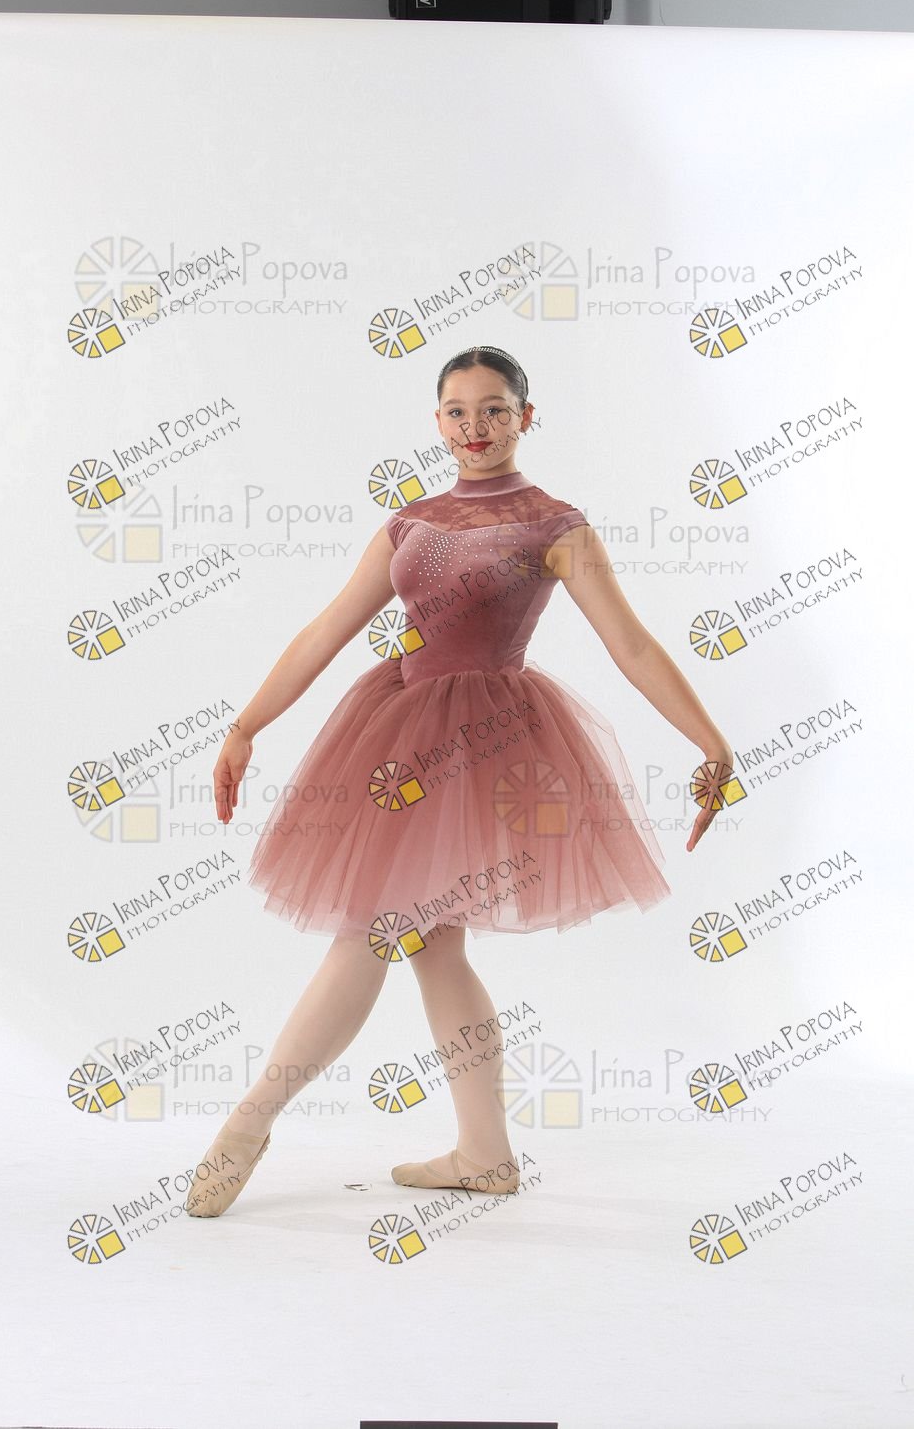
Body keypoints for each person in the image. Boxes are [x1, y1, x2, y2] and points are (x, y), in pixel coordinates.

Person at [184, 345, 733, 1218]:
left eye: (494, 409)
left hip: (484, 743)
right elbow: (327, 627)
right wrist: (246, 725)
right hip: (394, 736)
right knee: (432, 942)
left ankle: (249, 1123)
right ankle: (485, 1154)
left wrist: (709, 740)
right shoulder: (411, 522)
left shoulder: (556, 526)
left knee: (377, 928)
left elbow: (630, 645)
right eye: (457, 410)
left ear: (526, 416)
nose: (474, 427)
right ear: (436, 419)